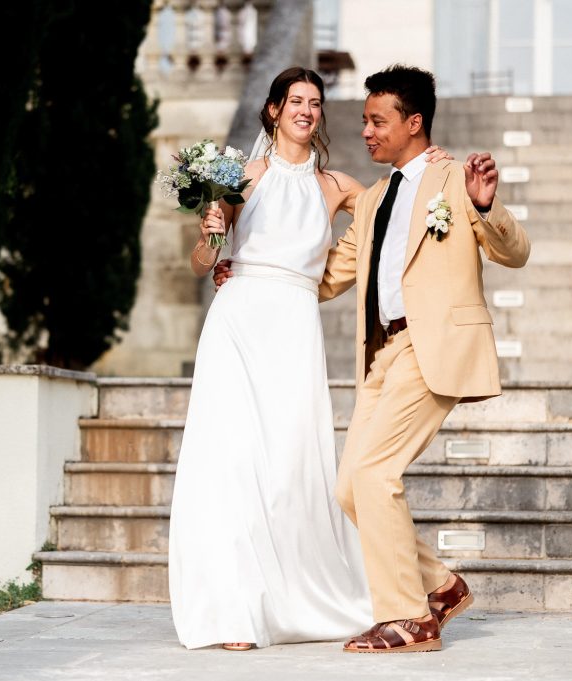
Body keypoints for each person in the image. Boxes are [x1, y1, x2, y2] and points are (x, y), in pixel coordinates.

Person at [218, 64, 529, 653]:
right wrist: (257, 274)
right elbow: (329, 274)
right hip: (381, 353)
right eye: (362, 120)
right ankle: (439, 587)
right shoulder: (375, 198)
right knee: (349, 489)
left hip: (431, 345)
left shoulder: (454, 179)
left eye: (377, 121)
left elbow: (515, 253)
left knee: (374, 474)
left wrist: (488, 208)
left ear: (414, 123)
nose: (365, 131)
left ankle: (407, 618)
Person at [168, 66, 451, 651]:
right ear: (273, 111)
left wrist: (433, 165)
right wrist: (213, 234)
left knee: (292, 468)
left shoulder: (338, 187)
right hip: (239, 323)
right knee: (234, 464)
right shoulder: (239, 177)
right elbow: (201, 261)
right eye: (295, 100)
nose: (306, 109)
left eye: (316, 102)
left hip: (296, 328)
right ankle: (237, 610)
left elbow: (399, 206)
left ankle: (302, 597)